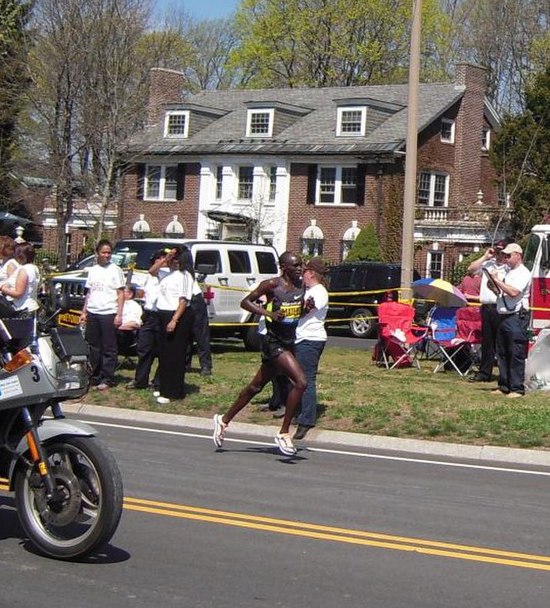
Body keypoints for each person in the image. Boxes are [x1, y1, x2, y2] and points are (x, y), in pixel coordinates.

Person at [212, 251, 311, 457]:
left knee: (255, 387)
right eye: (295, 266)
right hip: (273, 343)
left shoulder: (301, 286)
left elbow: (295, 313)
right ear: (284, 267)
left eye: (301, 265)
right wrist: (269, 314)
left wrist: (306, 310)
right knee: (301, 382)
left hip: (289, 341)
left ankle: (223, 420)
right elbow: (245, 302)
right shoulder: (272, 285)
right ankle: (284, 433)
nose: (300, 269)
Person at [79, 239, 125, 390]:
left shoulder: (115, 270)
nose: (106, 255)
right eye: (104, 252)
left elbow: (120, 293)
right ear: (97, 253)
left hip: (108, 312)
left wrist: (119, 314)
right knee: (94, 347)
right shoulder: (93, 270)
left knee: (108, 347)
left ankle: (107, 377)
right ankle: (94, 375)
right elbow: (89, 293)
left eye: (109, 253)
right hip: (93, 311)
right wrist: (84, 312)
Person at [149, 246, 193, 404]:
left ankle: (174, 391)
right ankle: (163, 387)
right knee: (164, 353)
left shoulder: (185, 276)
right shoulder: (166, 273)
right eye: (172, 258)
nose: (173, 261)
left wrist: (174, 320)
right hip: (162, 313)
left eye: (175, 258)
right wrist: (164, 259)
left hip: (176, 315)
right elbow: (152, 271)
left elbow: (183, 300)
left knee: (175, 354)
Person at [488, 243, 531, 398]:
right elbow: (500, 292)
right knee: (502, 352)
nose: (505, 258)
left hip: (516, 316)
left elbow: (513, 292)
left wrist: (497, 281)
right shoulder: (507, 271)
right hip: (503, 315)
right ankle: (504, 384)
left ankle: (517, 388)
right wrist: (492, 283)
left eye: (508, 255)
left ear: (518, 255)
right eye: (504, 255)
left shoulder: (523, 273)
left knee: (515, 352)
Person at [293, 257, 329, 440]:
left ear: (312, 273)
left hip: (311, 340)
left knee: (306, 380)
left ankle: (306, 420)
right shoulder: (308, 290)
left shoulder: (319, 292)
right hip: (302, 338)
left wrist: (289, 310)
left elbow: (307, 309)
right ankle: (296, 410)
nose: (302, 274)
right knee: (297, 379)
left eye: (305, 271)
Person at [467, 240, 508, 382]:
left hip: (500, 307)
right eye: (497, 250)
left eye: (501, 251)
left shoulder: (508, 268)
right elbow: (471, 269)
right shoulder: (488, 264)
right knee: (487, 342)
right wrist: (485, 256)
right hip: (486, 307)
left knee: (501, 343)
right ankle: (485, 373)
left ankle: (504, 374)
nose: (499, 254)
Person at [128, 249, 163, 390]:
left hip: (162, 316)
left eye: (164, 261)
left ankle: (158, 381)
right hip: (148, 316)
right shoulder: (149, 277)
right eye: (158, 261)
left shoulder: (169, 277)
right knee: (144, 349)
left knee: (162, 351)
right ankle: (140, 380)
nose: (161, 264)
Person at [0, 242, 40, 349]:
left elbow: (18, 293)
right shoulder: (34, 268)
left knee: (18, 345)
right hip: (30, 307)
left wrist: (3, 288)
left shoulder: (24, 270)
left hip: (23, 310)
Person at [182, 247, 212, 376]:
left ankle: (206, 365)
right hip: (184, 301)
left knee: (201, 334)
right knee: (184, 334)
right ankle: (185, 363)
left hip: (194, 300)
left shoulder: (186, 273)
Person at [117, 284, 143, 358]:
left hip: (126, 335)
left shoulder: (134, 306)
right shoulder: (115, 304)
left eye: (123, 292)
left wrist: (115, 327)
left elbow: (135, 324)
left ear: (130, 294)